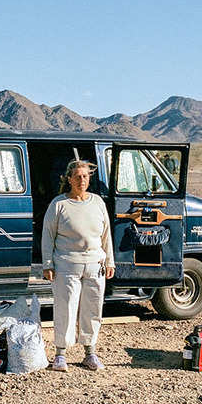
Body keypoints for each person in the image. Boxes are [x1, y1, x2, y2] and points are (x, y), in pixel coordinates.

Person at [42, 159, 115, 371]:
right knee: (65, 308)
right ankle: (60, 354)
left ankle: (90, 353)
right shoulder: (59, 204)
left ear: (89, 178)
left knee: (92, 309)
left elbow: (106, 234)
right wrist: (48, 263)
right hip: (67, 264)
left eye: (85, 176)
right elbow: (48, 236)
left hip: (95, 264)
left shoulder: (98, 203)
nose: (81, 180)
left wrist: (109, 260)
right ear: (69, 179)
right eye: (77, 177)